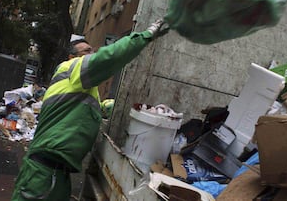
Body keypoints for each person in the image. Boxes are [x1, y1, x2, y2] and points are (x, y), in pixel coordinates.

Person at [11, 19, 169, 201]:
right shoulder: (69, 67)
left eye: (92, 51)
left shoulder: (81, 88)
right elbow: (108, 57)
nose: (91, 54)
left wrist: (115, 108)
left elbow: (92, 108)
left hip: (57, 174)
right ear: (72, 58)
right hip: (42, 173)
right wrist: (145, 36)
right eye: (87, 51)